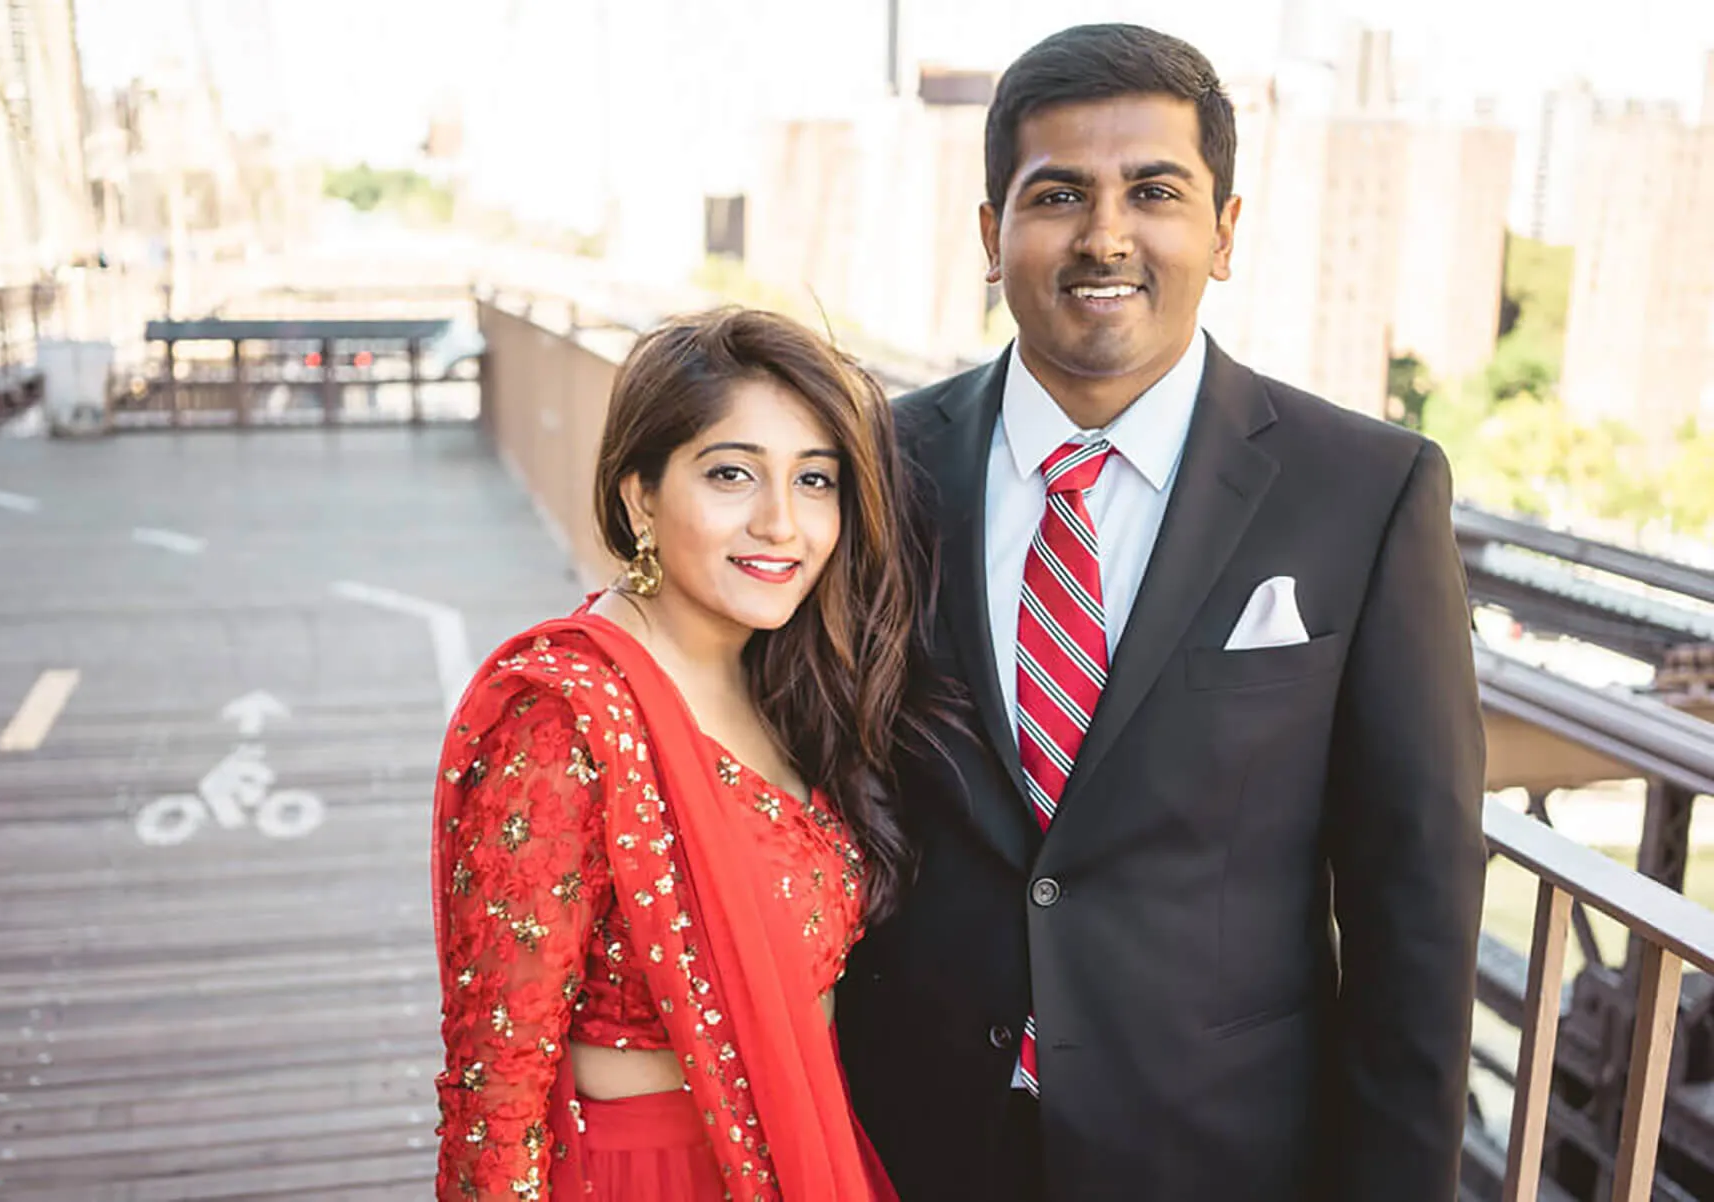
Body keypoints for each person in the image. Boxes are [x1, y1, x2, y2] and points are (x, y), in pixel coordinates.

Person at [836, 23, 1488, 1202]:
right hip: (908, 1137)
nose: (1105, 236)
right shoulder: (877, 468)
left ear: (1224, 232)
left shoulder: (1365, 490)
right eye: (1058, 196)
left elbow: (1415, 900)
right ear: (990, 235)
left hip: (1222, 1150)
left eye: (1154, 192)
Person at [431, 307, 942, 1201]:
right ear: (640, 496)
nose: (782, 523)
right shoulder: (563, 719)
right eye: (732, 474)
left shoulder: (780, 679)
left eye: (814, 479)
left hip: (808, 1144)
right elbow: (496, 1090)